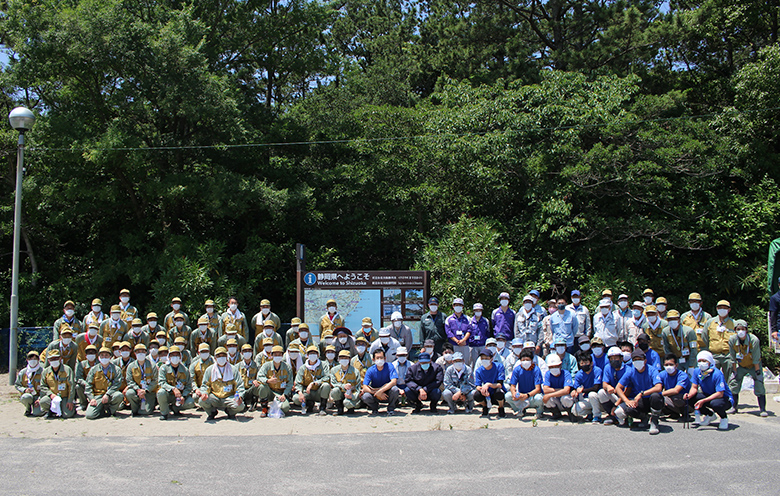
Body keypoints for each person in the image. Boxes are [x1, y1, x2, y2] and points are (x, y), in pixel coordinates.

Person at [615, 349, 663, 434]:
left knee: (656, 396)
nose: (637, 362)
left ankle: (654, 421)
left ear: (645, 360)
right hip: (641, 401)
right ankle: (644, 418)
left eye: (640, 359)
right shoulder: (630, 371)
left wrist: (642, 393)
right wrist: (626, 401)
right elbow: (618, 387)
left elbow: (658, 387)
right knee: (629, 409)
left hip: (651, 398)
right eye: (635, 360)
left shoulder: (652, 370)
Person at [728, 320, 768, 416]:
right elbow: (732, 358)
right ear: (735, 330)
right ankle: (733, 407)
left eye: (743, 329)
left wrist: (758, 372)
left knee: (759, 385)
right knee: (733, 383)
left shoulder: (754, 340)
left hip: (754, 366)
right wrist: (734, 371)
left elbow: (756, 358)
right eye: (738, 329)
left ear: (746, 330)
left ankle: (762, 409)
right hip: (741, 365)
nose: (740, 331)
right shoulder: (732, 340)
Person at [686, 351, 734, 430]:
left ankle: (724, 418)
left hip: (723, 398)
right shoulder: (697, 371)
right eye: (699, 361)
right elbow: (694, 387)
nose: (701, 363)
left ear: (710, 362)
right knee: (690, 399)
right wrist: (689, 395)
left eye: (704, 361)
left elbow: (720, 393)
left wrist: (704, 400)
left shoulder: (717, 373)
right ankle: (709, 415)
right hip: (708, 395)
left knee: (715, 403)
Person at [197, 347, 244, 420]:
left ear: (226, 357)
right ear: (215, 358)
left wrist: (239, 396)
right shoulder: (210, 370)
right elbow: (205, 385)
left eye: (223, 356)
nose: (221, 358)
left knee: (240, 405)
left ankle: (230, 412)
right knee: (201, 401)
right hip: (215, 396)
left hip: (228, 396)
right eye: (219, 356)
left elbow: (239, 385)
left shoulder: (233, 369)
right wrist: (204, 393)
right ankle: (211, 412)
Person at [156, 345, 195, 420]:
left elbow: (188, 386)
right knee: (161, 392)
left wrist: (183, 396)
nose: (175, 357)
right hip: (168, 394)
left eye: (177, 355)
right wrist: (173, 389)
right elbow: (161, 382)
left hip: (179, 396)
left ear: (180, 357)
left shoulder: (185, 370)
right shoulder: (163, 368)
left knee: (190, 402)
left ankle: (175, 408)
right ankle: (164, 413)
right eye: (172, 355)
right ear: (169, 357)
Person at [85, 347, 124, 419]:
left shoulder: (116, 369)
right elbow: (88, 385)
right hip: (98, 395)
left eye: (106, 355)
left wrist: (108, 394)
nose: (104, 357)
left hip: (110, 394)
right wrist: (91, 398)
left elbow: (117, 384)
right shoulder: (93, 369)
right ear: (98, 357)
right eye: (102, 355)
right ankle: (101, 410)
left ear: (110, 357)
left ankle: (110, 411)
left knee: (119, 395)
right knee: (90, 415)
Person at [293, 345, 332, 415]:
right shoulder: (303, 368)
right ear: (307, 355)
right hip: (307, 392)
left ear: (318, 355)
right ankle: (309, 404)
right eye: (310, 354)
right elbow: (298, 382)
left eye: (314, 353)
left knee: (326, 385)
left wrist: (314, 383)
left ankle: (322, 408)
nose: (312, 355)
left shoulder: (324, 365)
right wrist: (300, 393)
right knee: (296, 398)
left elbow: (327, 377)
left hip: (318, 391)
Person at [506, 349, 544, 419]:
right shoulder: (517, 369)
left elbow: (538, 389)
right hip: (521, 396)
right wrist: (514, 393)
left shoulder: (536, 370)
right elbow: (512, 386)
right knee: (508, 396)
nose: (525, 362)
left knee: (539, 398)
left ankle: (539, 411)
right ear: (520, 360)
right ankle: (519, 410)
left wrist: (527, 395)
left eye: (527, 360)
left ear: (532, 360)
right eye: (523, 360)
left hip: (532, 396)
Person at [39, 349, 76, 419]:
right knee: (43, 401)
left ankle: (69, 408)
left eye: (56, 358)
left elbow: (71, 386)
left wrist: (70, 400)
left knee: (68, 415)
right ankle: (50, 411)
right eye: (52, 359)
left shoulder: (67, 370)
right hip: (53, 397)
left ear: (60, 358)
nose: (54, 361)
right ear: (49, 361)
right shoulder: (46, 372)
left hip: (64, 396)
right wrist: (50, 394)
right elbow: (43, 386)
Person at [361, 349, 399, 416]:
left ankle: (391, 409)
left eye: (381, 358)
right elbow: (364, 387)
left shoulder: (390, 366)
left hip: (387, 391)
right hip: (375, 394)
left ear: (385, 358)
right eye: (377, 358)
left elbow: (394, 382)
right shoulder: (370, 370)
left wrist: (381, 391)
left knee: (395, 389)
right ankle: (375, 408)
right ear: (373, 360)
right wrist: (376, 393)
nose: (379, 360)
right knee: (365, 396)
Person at [257, 345, 293, 417]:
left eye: (279, 354)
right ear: (271, 355)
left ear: (282, 355)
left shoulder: (287, 367)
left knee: (285, 408)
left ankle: (277, 406)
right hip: (270, 391)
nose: (277, 356)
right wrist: (268, 381)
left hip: (281, 393)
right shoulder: (266, 365)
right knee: (262, 386)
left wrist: (284, 394)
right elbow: (259, 376)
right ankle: (264, 408)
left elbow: (290, 383)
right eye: (275, 354)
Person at [702, 300, 736, 373]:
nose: (722, 309)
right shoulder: (710, 322)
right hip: (714, 355)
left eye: (725, 308)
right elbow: (704, 337)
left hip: (728, 356)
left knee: (729, 378)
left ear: (729, 310)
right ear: (717, 309)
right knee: (712, 375)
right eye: (720, 307)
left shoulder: (734, 324)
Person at [125, 344, 158, 417]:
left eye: (143, 351)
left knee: (146, 412)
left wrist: (145, 390)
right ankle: (134, 409)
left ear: (146, 353)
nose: (140, 353)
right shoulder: (131, 366)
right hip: (136, 390)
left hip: (148, 392)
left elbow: (155, 380)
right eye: (138, 352)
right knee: (129, 393)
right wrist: (138, 389)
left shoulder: (152, 365)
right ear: (134, 353)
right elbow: (129, 381)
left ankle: (145, 406)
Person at [570, 350, 603, 423]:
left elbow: (596, 388)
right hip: (587, 399)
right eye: (582, 363)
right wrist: (574, 391)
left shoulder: (597, 371)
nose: (584, 365)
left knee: (592, 394)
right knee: (575, 410)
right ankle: (590, 413)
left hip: (598, 398)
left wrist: (583, 390)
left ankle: (597, 416)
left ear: (591, 363)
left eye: (586, 362)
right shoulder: (579, 374)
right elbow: (576, 387)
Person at [599, 347, 628, 425]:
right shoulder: (607, 367)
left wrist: (616, 405)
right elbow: (604, 383)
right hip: (614, 395)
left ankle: (624, 417)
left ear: (621, 358)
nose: (613, 360)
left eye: (616, 358)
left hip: (625, 397)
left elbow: (627, 391)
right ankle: (611, 416)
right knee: (601, 392)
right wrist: (608, 387)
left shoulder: (628, 369)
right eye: (611, 358)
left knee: (619, 412)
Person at [662, 310, 697, 374]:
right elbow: (666, 349)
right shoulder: (665, 332)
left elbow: (693, 349)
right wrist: (671, 363)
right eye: (670, 319)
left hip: (689, 359)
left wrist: (691, 365)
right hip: (676, 361)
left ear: (679, 320)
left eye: (675, 319)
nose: (672, 321)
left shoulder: (689, 331)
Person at [474, 348, 506, 417]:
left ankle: (501, 407)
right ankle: (485, 406)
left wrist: (488, 384)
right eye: (482, 358)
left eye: (486, 358)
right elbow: (477, 385)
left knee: (499, 392)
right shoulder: (479, 371)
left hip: (495, 390)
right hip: (486, 392)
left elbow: (500, 384)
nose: (484, 360)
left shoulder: (499, 366)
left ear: (491, 359)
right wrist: (482, 389)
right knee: (476, 395)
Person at [330, 350, 363, 415]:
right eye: (342, 358)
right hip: (340, 392)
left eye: (346, 358)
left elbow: (358, 387)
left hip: (351, 393)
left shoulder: (355, 371)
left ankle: (351, 408)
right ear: (338, 359)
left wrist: (353, 396)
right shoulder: (334, 370)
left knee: (347, 403)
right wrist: (343, 386)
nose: (344, 360)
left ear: (350, 359)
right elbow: (333, 383)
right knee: (334, 391)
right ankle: (339, 409)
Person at [541, 353, 573, 420]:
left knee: (565, 398)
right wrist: (561, 390)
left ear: (560, 365)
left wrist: (550, 394)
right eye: (551, 367)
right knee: (546, 398)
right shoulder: (548, 374)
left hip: (565, 398)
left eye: (556, 366)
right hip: (556, 399)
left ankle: (570, 413)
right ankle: (556, 413)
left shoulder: (566, 373)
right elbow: (545, 389)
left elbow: (567, 391)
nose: (554, 369)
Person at [16, 351, 44, 417]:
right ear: (27, 360)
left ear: (38, 360)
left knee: (37, 413)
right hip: (28, 395)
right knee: (26, 397)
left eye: (35, 359)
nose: (33, 361)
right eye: (30, 359)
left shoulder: (43, 371)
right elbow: (17, 385)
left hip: (39, 396)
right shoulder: (23, 372)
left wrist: (40, 398)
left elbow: (46, 386)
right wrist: (25, 390)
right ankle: (28, 408)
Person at [445, 297, 471, 362]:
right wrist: (457, 341)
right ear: (453, 306)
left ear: (462, 306)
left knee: (466, 362)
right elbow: (448, 332)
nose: (458, 307)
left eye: (460, 305)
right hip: (453, 345)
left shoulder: (468, 318)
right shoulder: (449, 319)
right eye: (456, 305)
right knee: (454, 362)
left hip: (465, 345)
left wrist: (463, 340)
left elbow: (469, 330)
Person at [75, 344, 99, 411]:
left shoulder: (100, 364)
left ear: (96, 354)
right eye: (89, 353)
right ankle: (83, 404)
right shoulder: (82, 364)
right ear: (85, 355)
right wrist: (85, 383)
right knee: (78, 387)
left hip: (97, 385)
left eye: (93, 353)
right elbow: (78, 378)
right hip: (85, 385)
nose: (91, 354)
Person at [238, 344, 260, 410]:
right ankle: (243, 402)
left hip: (251, 389)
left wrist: (257, 380)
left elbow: (260, 376)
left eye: (249, 351)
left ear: (252, 352)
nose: (247, 353)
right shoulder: (237, 366)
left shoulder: (256, 365)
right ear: (241, 353)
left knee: (258, 386)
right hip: (241, 389)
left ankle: (254, 401)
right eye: (245, 351)